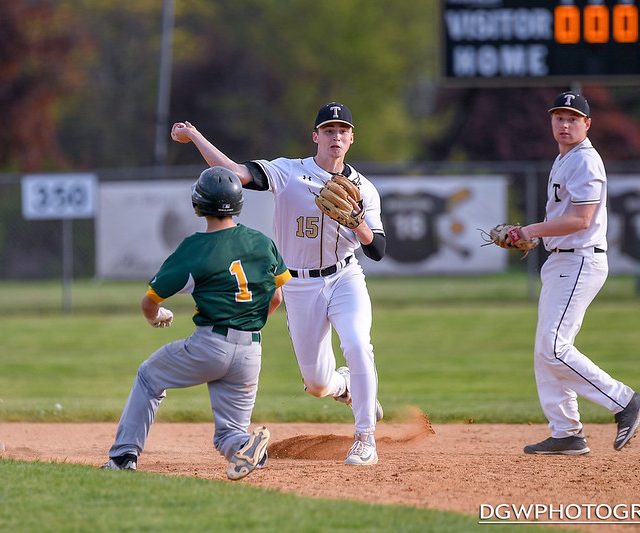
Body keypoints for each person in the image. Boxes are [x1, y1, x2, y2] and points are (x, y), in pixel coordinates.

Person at [171, 102, 386, 465]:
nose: (336, 136)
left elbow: (378, 249)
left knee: (356, 342)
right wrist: (194, 136)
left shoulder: (364, 189)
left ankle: (365, 438)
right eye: (329, 130)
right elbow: (234, 173)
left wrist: (358, 223)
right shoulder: (288, 172)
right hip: (300, 287)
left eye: (342, 130)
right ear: (315, 136)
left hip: (345, 276)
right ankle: (346, 386)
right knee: (318, 384)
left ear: (351, 138)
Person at [102, 166, 291, 480]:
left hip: (210, 345)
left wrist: (156, 317)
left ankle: (123, 458)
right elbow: (276, 298)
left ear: (198, 205)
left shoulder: (194, 248)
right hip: (251, 350)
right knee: (229, 433)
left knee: (150, 377)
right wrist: (248, 326)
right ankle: (246, 446)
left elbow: (150, 301)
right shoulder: (261, 243)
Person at [513, 90, 640, 455]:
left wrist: (529, 231)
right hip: (562, 260)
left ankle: (624, 401)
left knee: (553, 347)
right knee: (545, 349)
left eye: (572, 118)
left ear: (587, 123)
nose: (564, 124)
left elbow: (581, 219)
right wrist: (534, 235)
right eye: (559, 117)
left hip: (580, 259)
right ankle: (566, 431)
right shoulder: (566, 157)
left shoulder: (585, 160)